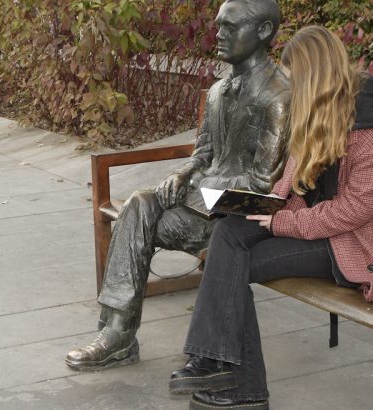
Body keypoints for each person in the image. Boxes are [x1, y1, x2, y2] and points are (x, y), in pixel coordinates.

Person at [170, 25, 373, 410]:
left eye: (294, 79)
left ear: (315, 78)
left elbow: (354, 211)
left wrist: (281, 223)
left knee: (235, 262)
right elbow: (291, 180)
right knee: (230, 233)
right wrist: (253, 205)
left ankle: (234, 380)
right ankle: (212, 364)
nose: (289, 87)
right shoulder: (319, 114)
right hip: (311, 228)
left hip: (353, 246)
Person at [65, 0, 290, 371]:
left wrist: (199, 188)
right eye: (218, 26)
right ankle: (117, 332)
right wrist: (182, 175)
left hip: (252, 213)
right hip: (209, 204)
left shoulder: (278, 96)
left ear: (264, 31)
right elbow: (204, 153)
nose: (218, 35)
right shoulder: (219, 91)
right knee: (139, 205)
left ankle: (118, 335)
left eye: (230, 27)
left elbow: (266, 182)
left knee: (143, 212)